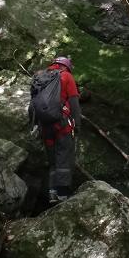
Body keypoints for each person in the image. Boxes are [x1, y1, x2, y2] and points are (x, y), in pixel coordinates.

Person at [31, 56, 81, 204]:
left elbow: (33, 102)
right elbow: (74, 103)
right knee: (64, 157)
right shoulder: (66, 76)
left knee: (52, 160)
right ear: (67, 67)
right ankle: (62, 194)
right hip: (62, 125)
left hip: (44, 126)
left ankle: (52, 193)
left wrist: (34, 124)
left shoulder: (39, 77)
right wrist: (77, 124)